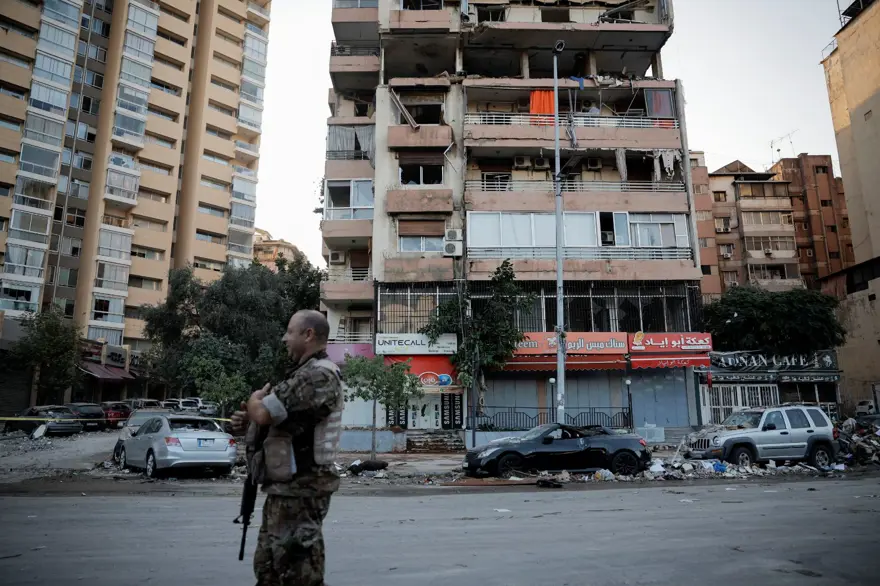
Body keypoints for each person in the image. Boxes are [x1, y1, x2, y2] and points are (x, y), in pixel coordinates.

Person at [231, 309, 344, 586]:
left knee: (298, 572)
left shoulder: (318, 376)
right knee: (269, 569)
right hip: (286, 488)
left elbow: (265, 413)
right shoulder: (302, 374)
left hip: (301, 490)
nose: (284, 339)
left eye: (290, 332)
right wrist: (248, 423)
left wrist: (255, 401)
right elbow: (279, 421)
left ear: (308, 335)